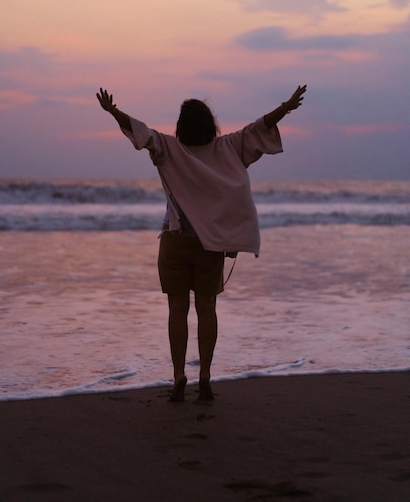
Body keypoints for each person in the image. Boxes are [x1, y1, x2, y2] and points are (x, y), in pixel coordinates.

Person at [96, 84, 307, 401]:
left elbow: (140, 132)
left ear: (181, 127)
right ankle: (205, 375)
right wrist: (286, 107)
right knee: (207, 308)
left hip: (175, 240)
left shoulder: (169, 148)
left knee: (177, 309)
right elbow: (259, 127)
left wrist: (114, 112)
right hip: (210, 244)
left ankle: (180, 375)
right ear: (211, 125)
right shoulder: (229, 148)